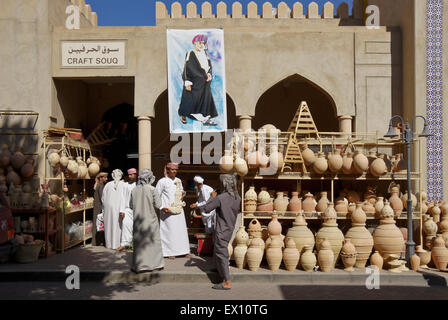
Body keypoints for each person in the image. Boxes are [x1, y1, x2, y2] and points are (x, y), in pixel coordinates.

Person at [199, 174, 241, 290]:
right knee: (219, 250)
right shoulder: (238, 198)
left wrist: (212, 197)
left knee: (222, 253)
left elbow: (207, 209)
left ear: (224, 184)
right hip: (229, 228)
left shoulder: (220, 198)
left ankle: (227, 282)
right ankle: (217, 268)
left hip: (221, 230)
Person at [178, 34, 218, 126]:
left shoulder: (205, 54)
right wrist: (187, 81)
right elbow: (186, 68)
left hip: (205, 82)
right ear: (195, 43)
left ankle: (205, 119)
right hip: (194, 83)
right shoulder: (191, 53)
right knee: (191, 101)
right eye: (199, 42)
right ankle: (183, 114)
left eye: (203, 43)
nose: (201, 45)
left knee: (205, 101)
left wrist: (209, 74)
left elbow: (209, 67)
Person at [130, 169, 164, 273]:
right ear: (149, 178)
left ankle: (140, 266)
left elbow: (131, 205)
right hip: (150, 220)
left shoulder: (134, 190)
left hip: (138, 221)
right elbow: (158, 205)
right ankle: (156, 264)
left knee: (139, 243)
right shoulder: (152, 189)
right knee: (153, 242)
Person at [155, 162, 191, 259]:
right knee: (169, 231)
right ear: (167, 170)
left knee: (181, 230)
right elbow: (156, 196)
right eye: (172, 169)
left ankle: (184, 251)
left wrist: (183, 195)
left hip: (178, 209)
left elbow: (181, 193)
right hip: (167, 211)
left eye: (176, 170)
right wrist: (162, 207)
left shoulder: (178, 180)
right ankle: (168, 252)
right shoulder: (162, 181)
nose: (174, 171)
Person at [101, 169, 127, 250]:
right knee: (117, 226)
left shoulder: (108, 184)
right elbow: (125, 198)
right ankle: (117, 244)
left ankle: (109, 244)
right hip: (119, 208)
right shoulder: (124, 184)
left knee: (109, 225)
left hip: (108, 209)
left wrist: (105, 207)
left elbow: (103, 198)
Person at [117, 168, 137, 252]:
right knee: (126, 225)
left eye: (131, 174)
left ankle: (135, 245)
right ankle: (124, 244)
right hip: (127, 209)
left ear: (135, 175)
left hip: (137, 210)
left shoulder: (139, 185)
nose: (130, 176)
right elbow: (122, 197)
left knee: (136, 227)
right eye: (129, 175)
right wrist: (122, 210)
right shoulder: (125, 185)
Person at [92, 172, 108, 246]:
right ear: (101, 178)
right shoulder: (100, 186)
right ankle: (96, 241)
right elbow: (103, 198)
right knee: (98, 224)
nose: (106, 179)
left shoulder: (99, 185)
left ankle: (97, 241)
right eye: (105, 177)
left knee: (97, 223)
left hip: (97, 206)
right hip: (99, 207)